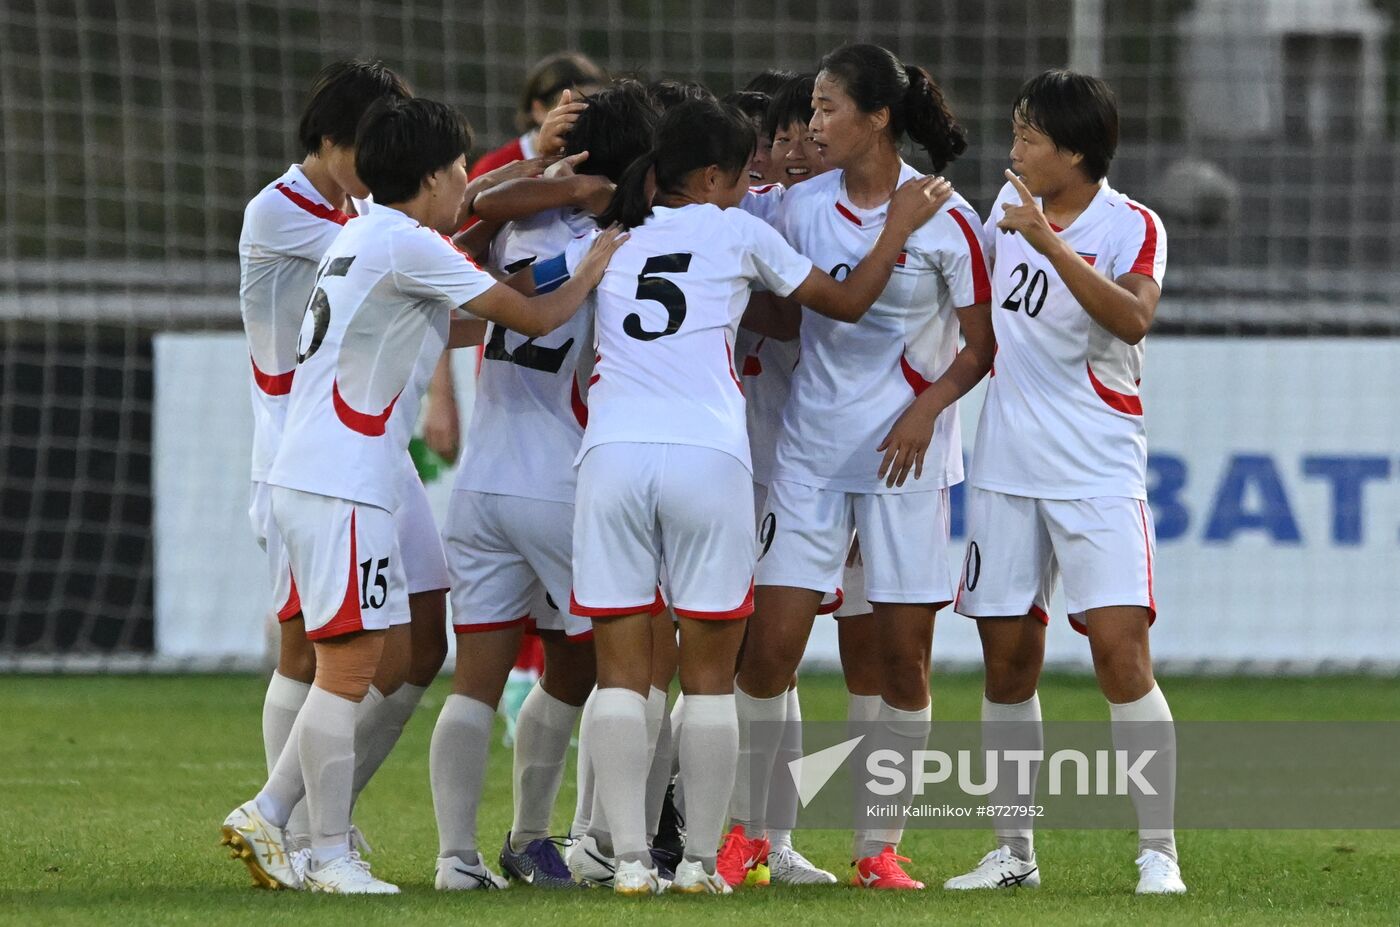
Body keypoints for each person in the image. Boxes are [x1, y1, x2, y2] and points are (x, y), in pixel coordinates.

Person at [220, 95, 626, 894]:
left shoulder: (372, 232)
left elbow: (470, 320)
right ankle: (316, 843)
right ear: (436, 175)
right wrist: (589, 266)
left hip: (332, 468)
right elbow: (535, 316)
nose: (463, 188)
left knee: (396, 647)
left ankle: (281, 812)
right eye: (457, 173)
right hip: (342, 476)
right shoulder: (407, 242)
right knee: (348, 662)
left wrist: (539, 188)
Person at [568, 96, 950, 895]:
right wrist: (896, 229)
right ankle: (705, 860)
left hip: (609, 455)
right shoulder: (739, 231)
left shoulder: (614, 240)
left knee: (621, 673)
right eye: (743, 173)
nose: (752, 185)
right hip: (708, 457)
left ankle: (629, 857)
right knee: (711, 674)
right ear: (710, 176)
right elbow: (843, 304)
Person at [730, 43, 994, 891]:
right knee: (767, 652)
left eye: (827, 107)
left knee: (902, 664)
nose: (812, 125)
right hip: (806, 457)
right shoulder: (796, 208)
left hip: (905, 464)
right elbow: (760, 301)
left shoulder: (951, 220)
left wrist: (926, 407)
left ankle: (877, 847)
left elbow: (983, 347)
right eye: (811, 108)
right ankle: (750, 834)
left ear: (878, 118)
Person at [943, 68, 1182, 896]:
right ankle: (1014, 852)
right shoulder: (998, 218)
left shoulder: (1131, 224)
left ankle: (1159, 852)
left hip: (1096, 470)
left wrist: (1048, 242)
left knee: (1121, 653)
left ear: (1075, 153)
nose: (1015, 147)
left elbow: (1134, 317)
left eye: (1030, 135)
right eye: (1015, 130)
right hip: (1006, 471)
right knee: (1007, 664)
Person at [428, 80, 660, 892]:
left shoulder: (514, 221)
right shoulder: (631, 243)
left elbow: (465, 219)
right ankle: (587, 839)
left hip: (481, 485)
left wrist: (542, 167)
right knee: (617, 668)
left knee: (477, 681)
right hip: (564, 485)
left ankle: (457, 858)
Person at [236, 58, 411, 883]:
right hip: (294, 454)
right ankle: (302, 835)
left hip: (354, 452)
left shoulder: (359, 206)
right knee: (307, 649)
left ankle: (302, 824)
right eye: (369, 145)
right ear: (332, 138)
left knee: (395, 643)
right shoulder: (279, 211)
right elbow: (419, 244)